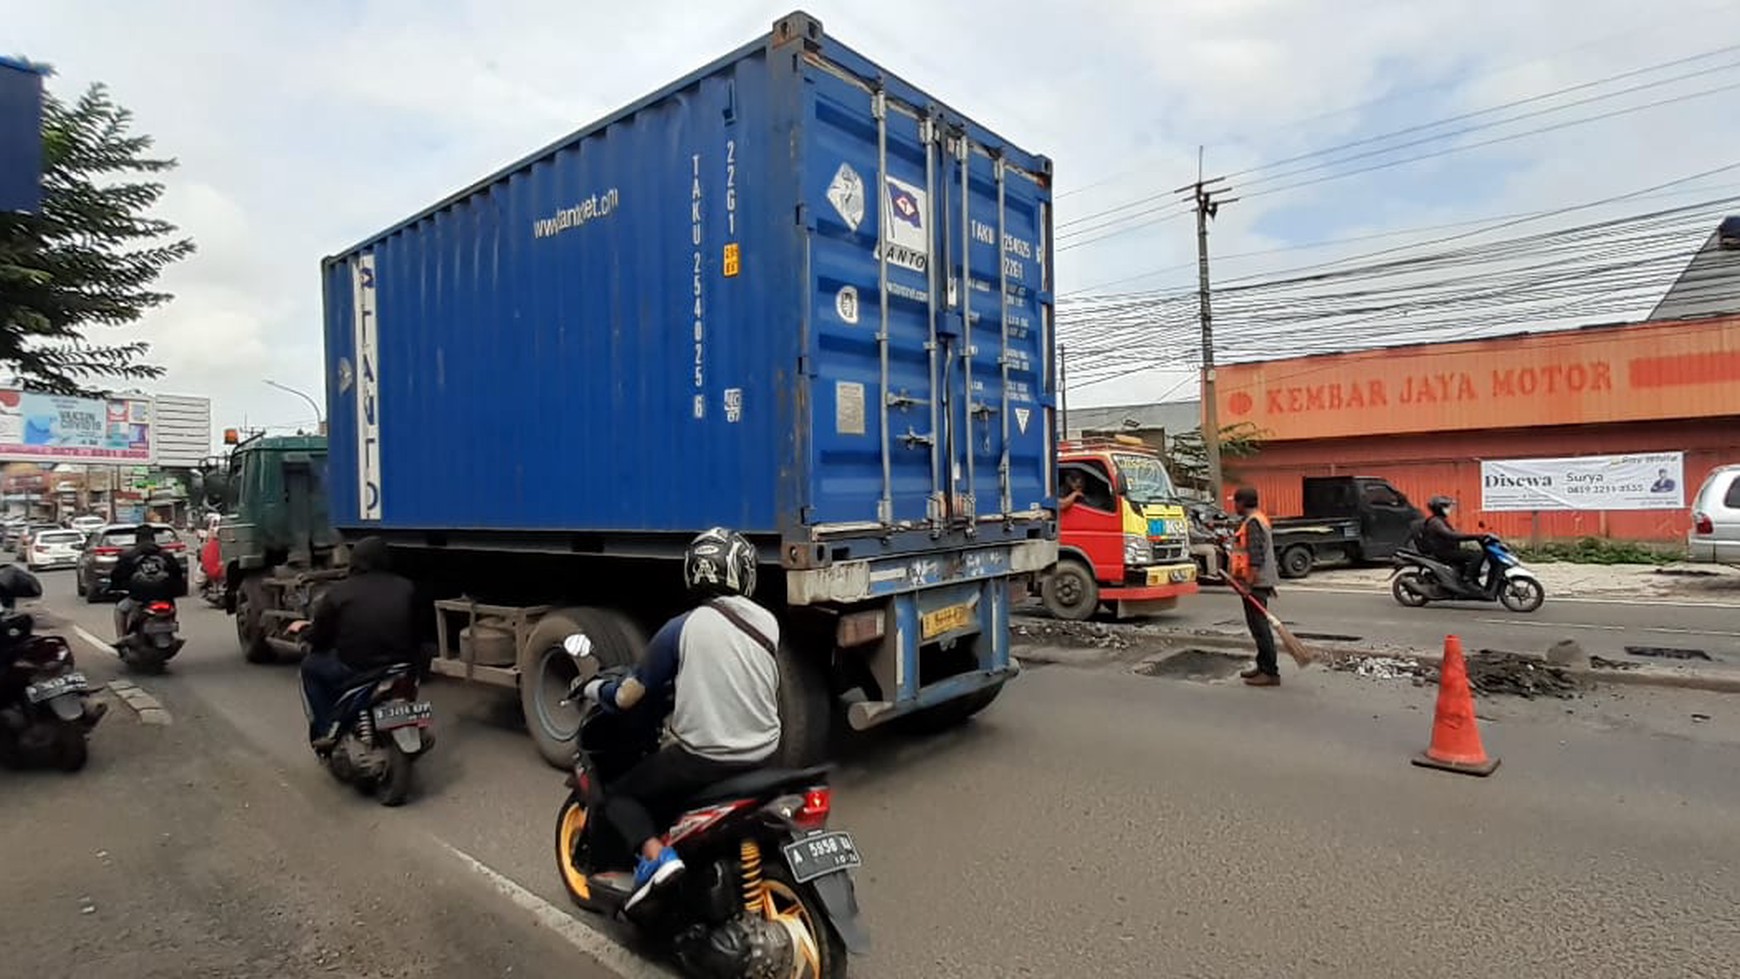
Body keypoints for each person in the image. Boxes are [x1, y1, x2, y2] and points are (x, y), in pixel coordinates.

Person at [585, 527, 780, 911]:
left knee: (619, 795)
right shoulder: (767, 623)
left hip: (704, 761)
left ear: (694, 572)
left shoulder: (681, 628)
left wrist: (595, 690)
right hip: (765, 754)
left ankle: (657, 856)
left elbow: (628, 696)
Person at [296, 536, 419, 751]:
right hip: (402, 666)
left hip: (358, 668)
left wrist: (305, 632)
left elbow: (321, 634)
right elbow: (420, 628)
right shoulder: (407, 587)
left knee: (310, 667)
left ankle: (327, 730)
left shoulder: (339, 593)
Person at [1226, 487, 1282, 687]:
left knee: (1260, 629)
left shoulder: (1253, 523)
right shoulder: (1257, 519)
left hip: (1255, 582)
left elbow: (1256, 557)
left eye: (1236, 502)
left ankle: (1270, 672)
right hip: (1256, 581)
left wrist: (1248, 584)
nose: (1234, 506)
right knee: (1256, 627)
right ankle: (1262, 665)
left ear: (1242, 503)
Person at [109, 527, 186, 643]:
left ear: (137, 539)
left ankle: (122, 639)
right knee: (171, 607)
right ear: (153, 538)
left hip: (138, 597)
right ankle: (170, 632)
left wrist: (114, 587)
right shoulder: (165, 555)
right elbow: (178, 575)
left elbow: (117, 575)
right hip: (164, 597)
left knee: (120, 610)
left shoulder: (129, 556)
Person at [1418, 495, 1486, 586]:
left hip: (1447, 549)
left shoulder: (1440, 520)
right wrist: (1473, 537)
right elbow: (1449, 535)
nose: (1449, 509)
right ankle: (1468, 579)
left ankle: (1465, 578)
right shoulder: (1436, 522)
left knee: (1471, 554)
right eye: (1446, 507)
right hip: (1444, 552)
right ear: (1439, 508)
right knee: (1477, 555)